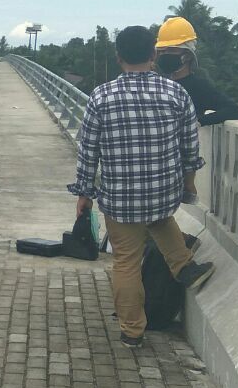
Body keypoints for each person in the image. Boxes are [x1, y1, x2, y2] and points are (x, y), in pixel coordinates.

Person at [68, 25, 215, 348]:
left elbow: (88, 150)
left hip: (119, 197)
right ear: (153, 55)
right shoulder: (175, 94)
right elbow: (190, 146)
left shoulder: (101, 97)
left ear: (118, 57)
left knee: (126, 262)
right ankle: (184, 267)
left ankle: (132, 331)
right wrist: (188, 181)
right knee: (161, 219)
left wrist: (84, 195)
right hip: (162, 191)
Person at [155, 17, 238, 126]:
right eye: (162, 51)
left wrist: (199, 121)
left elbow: (234, 110)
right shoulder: (158, 84)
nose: (164, 55)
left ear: (187, 55)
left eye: (171, 50)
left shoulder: (199, 87)